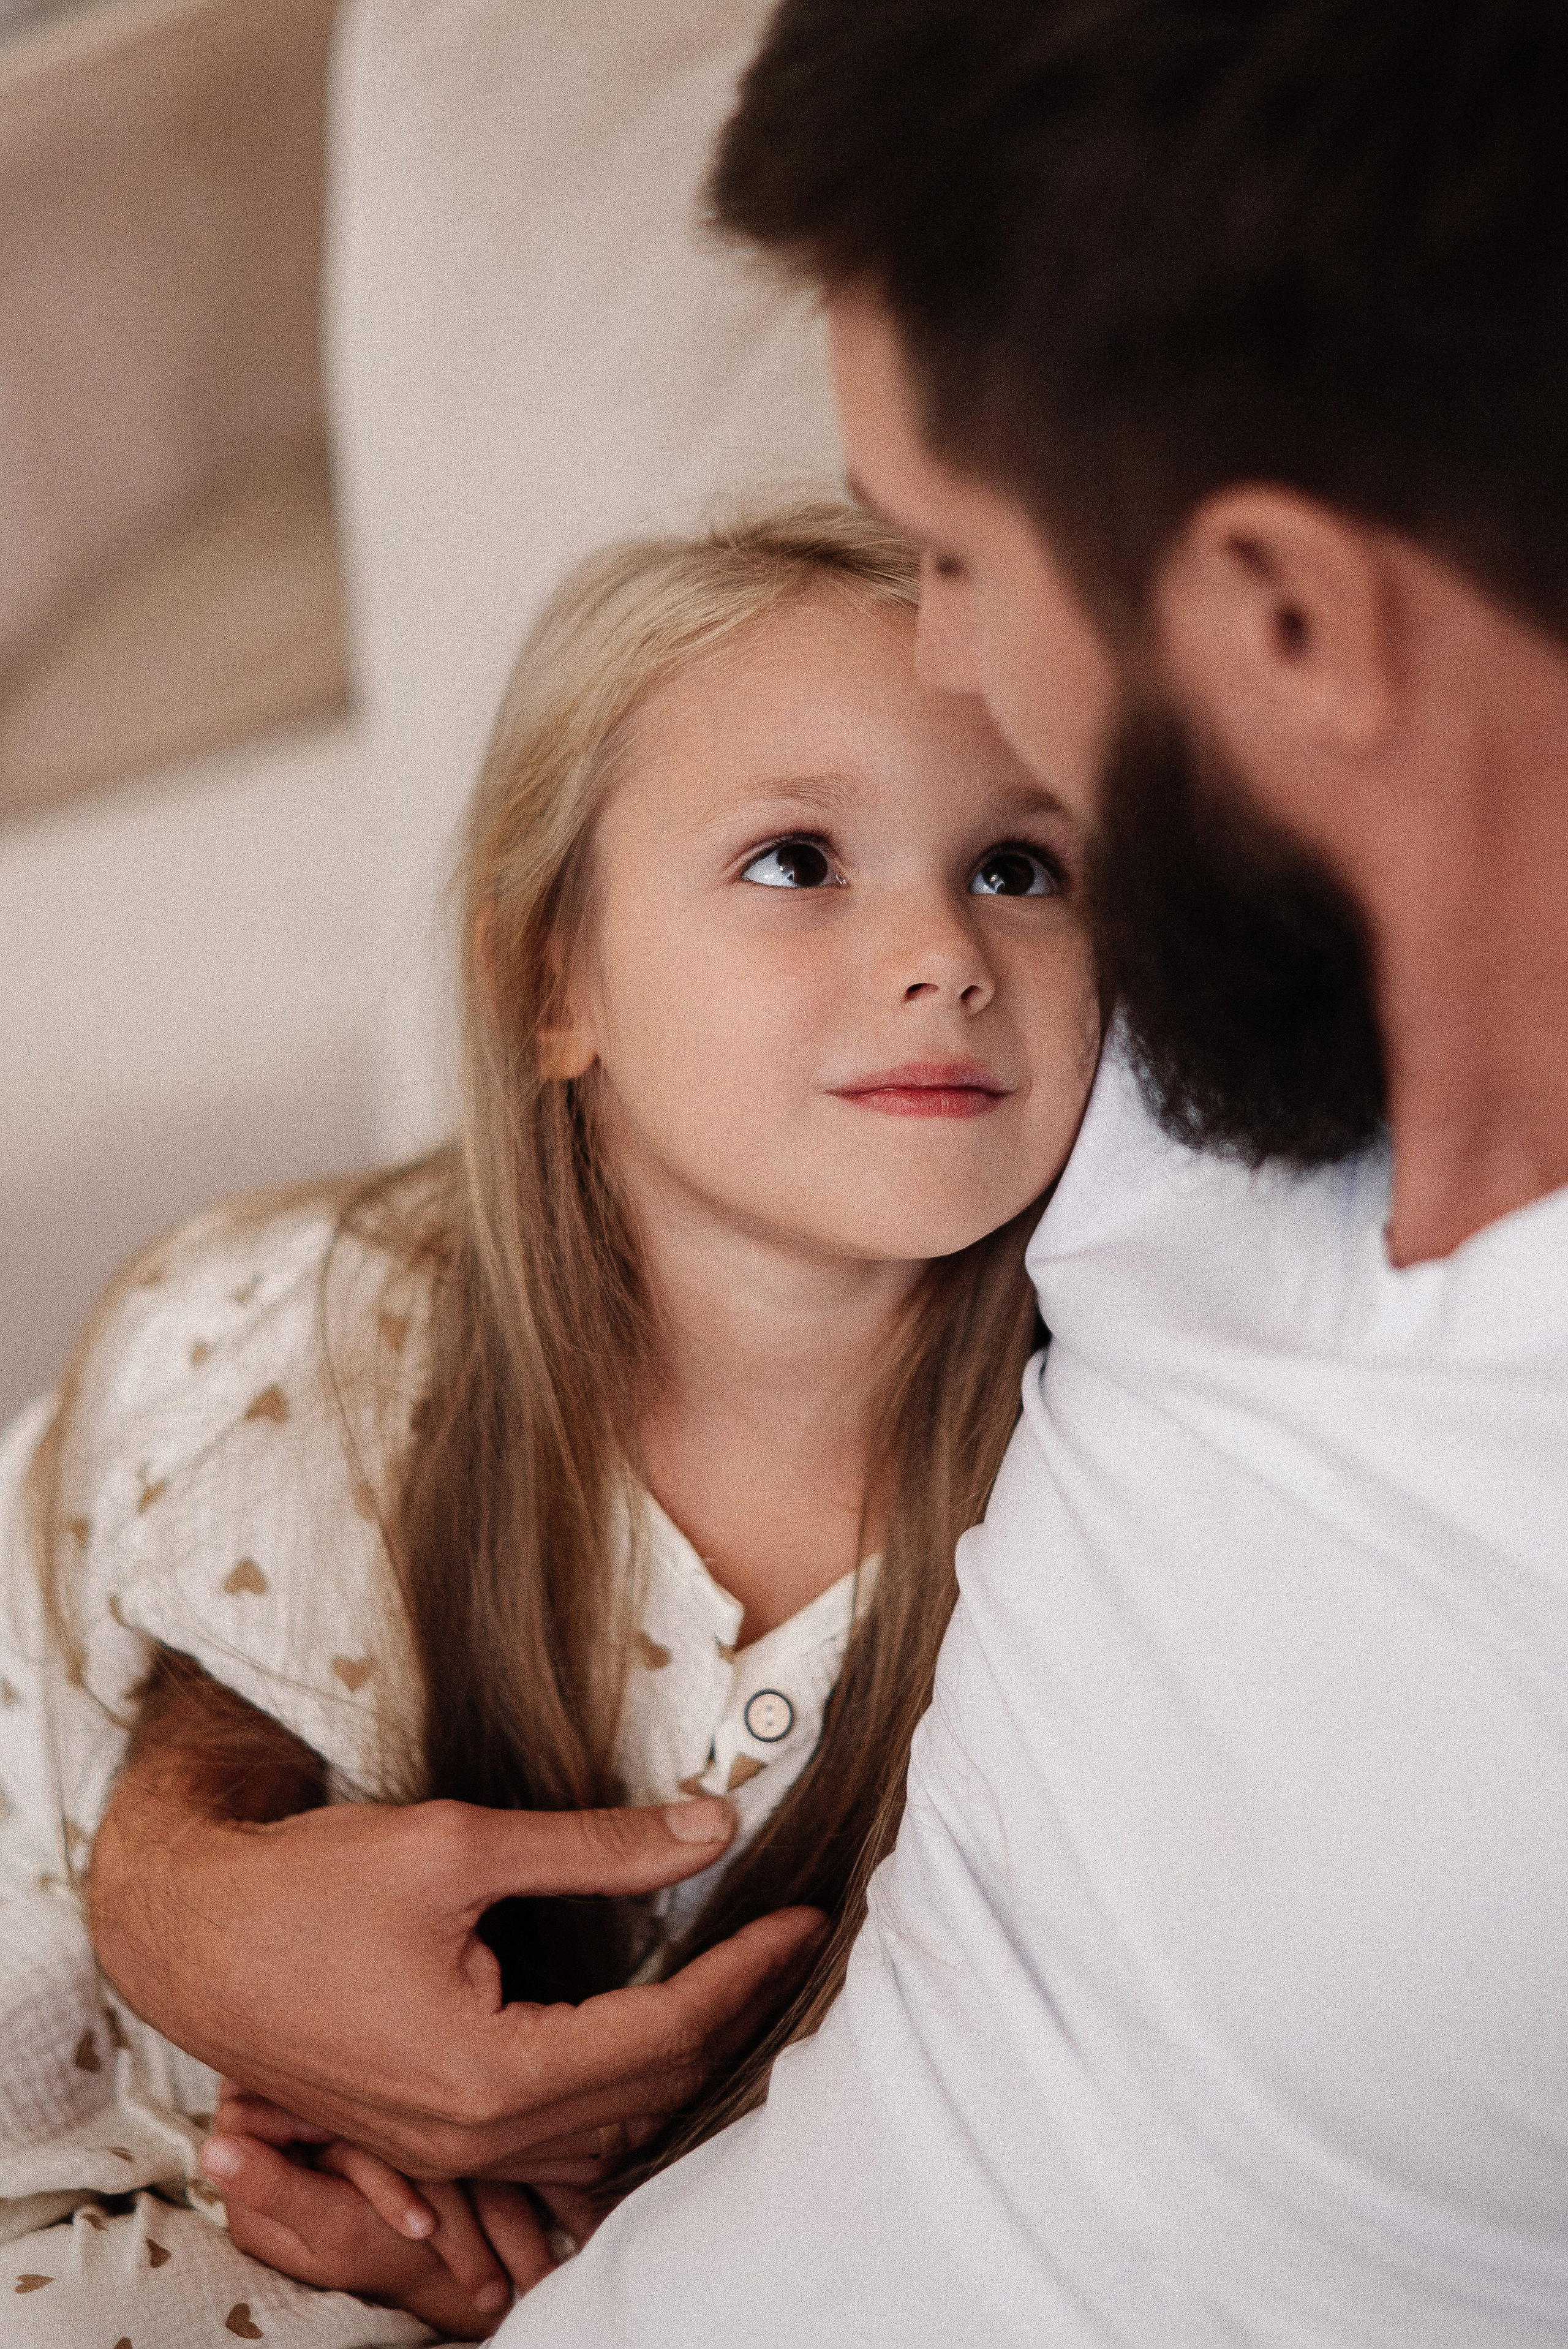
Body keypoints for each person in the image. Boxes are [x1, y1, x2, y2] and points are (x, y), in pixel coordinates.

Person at [59, 0, 1568, 2338]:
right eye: (803, 860)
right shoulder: (1216, 1029)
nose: (941, 654)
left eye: (960, 556)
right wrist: (179, 1886)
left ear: (1283, 624)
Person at [0, 500, 1100, 2338]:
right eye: (798, 857)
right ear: (553, 980)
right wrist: (337, 2176)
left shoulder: (1096, 1496)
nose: (943, 951)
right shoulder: (320, 1337)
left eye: (1017, 868)